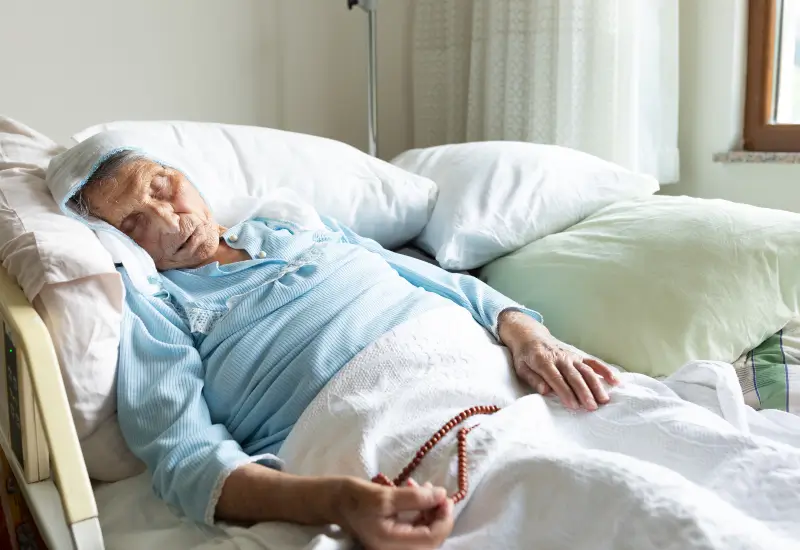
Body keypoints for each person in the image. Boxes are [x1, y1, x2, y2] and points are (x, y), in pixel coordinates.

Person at [71, 150, 618, 549]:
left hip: (504, 380)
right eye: (133, 223)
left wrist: (528, 334)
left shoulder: (291, 226)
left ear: (186, 175)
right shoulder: (156, 306)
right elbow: (186, 459)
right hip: (385, 431)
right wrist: (337, 501)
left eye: (163, 189)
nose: (168, 223)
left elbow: (439, 281)